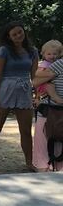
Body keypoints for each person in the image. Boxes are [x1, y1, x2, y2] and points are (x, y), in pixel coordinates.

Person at [0, 21, 38, 174]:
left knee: (26, 130)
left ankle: (29, 163)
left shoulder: (32, 51)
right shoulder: (4, 50)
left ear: (24, 32)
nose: (18, 36)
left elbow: (34, 76)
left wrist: (38, 94)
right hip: (5, 90)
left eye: (20, 32)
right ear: (9, 37)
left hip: (24, 90)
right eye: (14, 34)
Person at [32, 40, 63, 171]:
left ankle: (47, 166)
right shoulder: (58, 64)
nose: (52, 56)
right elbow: (35, 80)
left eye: (55, 53)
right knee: (47, 136)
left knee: (48, 137)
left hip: (52, 106)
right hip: (52, 107)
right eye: (49, 53)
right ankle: (46, 166)